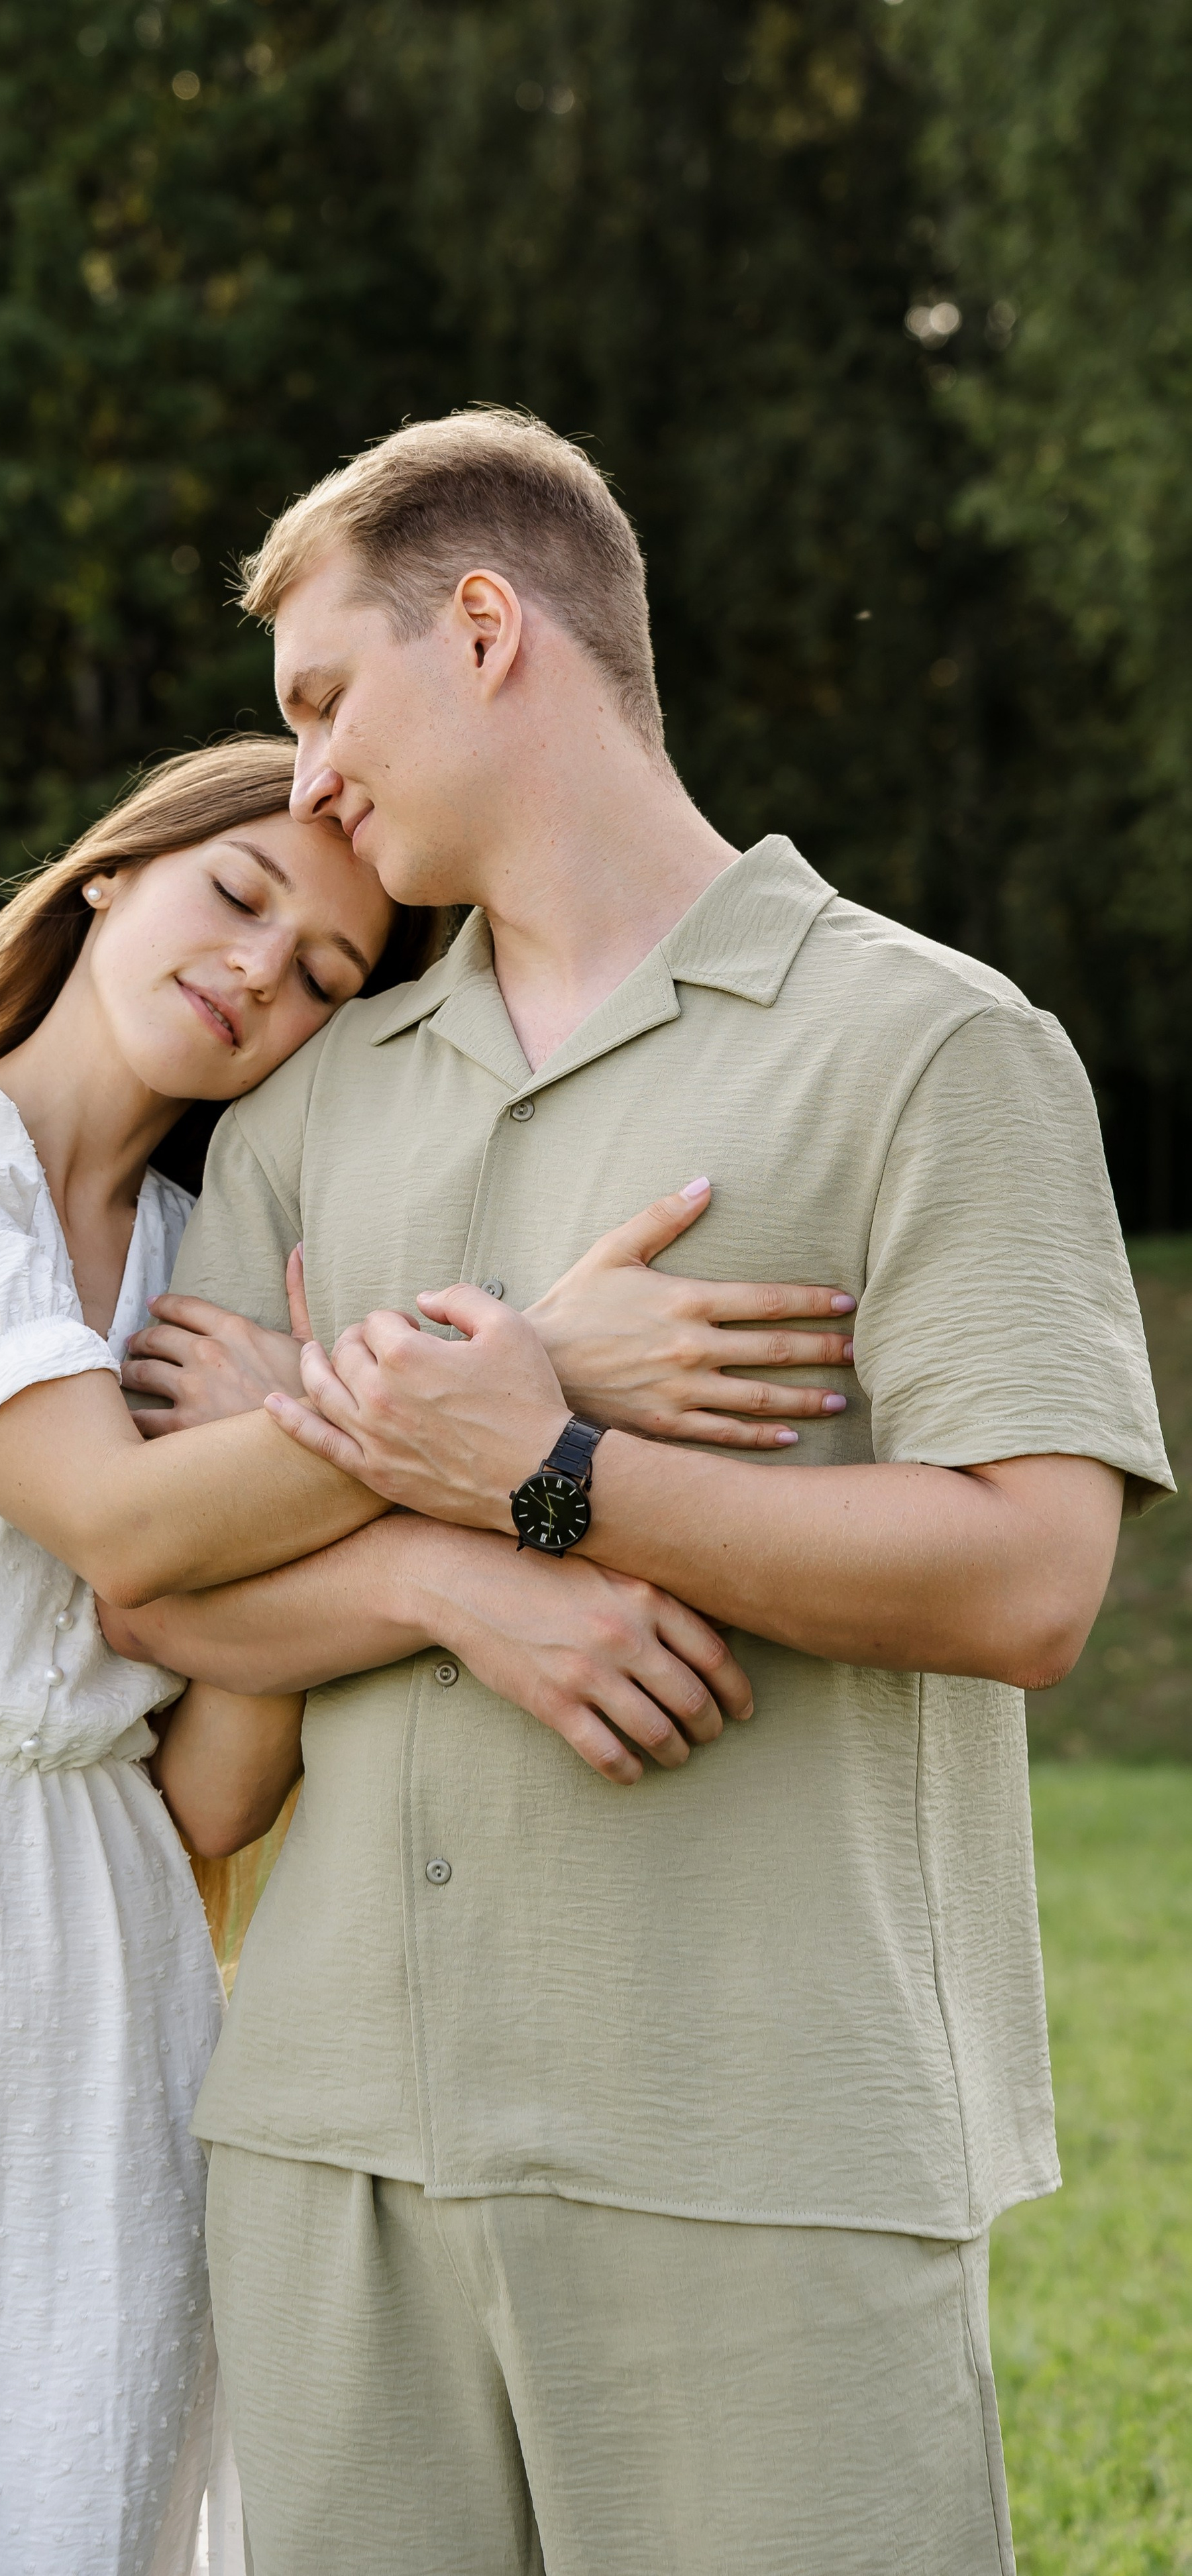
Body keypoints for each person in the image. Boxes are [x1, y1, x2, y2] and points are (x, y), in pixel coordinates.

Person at [0, 734, 848, 2576]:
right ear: (110, 874)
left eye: (321, 978)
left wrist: (390, 1527)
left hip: (98, 1966)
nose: (260, 974)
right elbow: (126, 1529)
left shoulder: (203, 1274)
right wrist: (523, 1380)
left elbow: (208, 1790)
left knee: (60, 2508)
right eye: (238, 897)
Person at [105, 411, 1173, 2576]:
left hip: (759, 2134)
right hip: (332, 2156)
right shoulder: (306, 1108)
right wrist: (450, 1523)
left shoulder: (934, 1050)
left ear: (486, 626)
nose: (303, 775)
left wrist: (554, 1472)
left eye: (326, 699)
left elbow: (1035, 1577)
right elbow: (173, 1602)